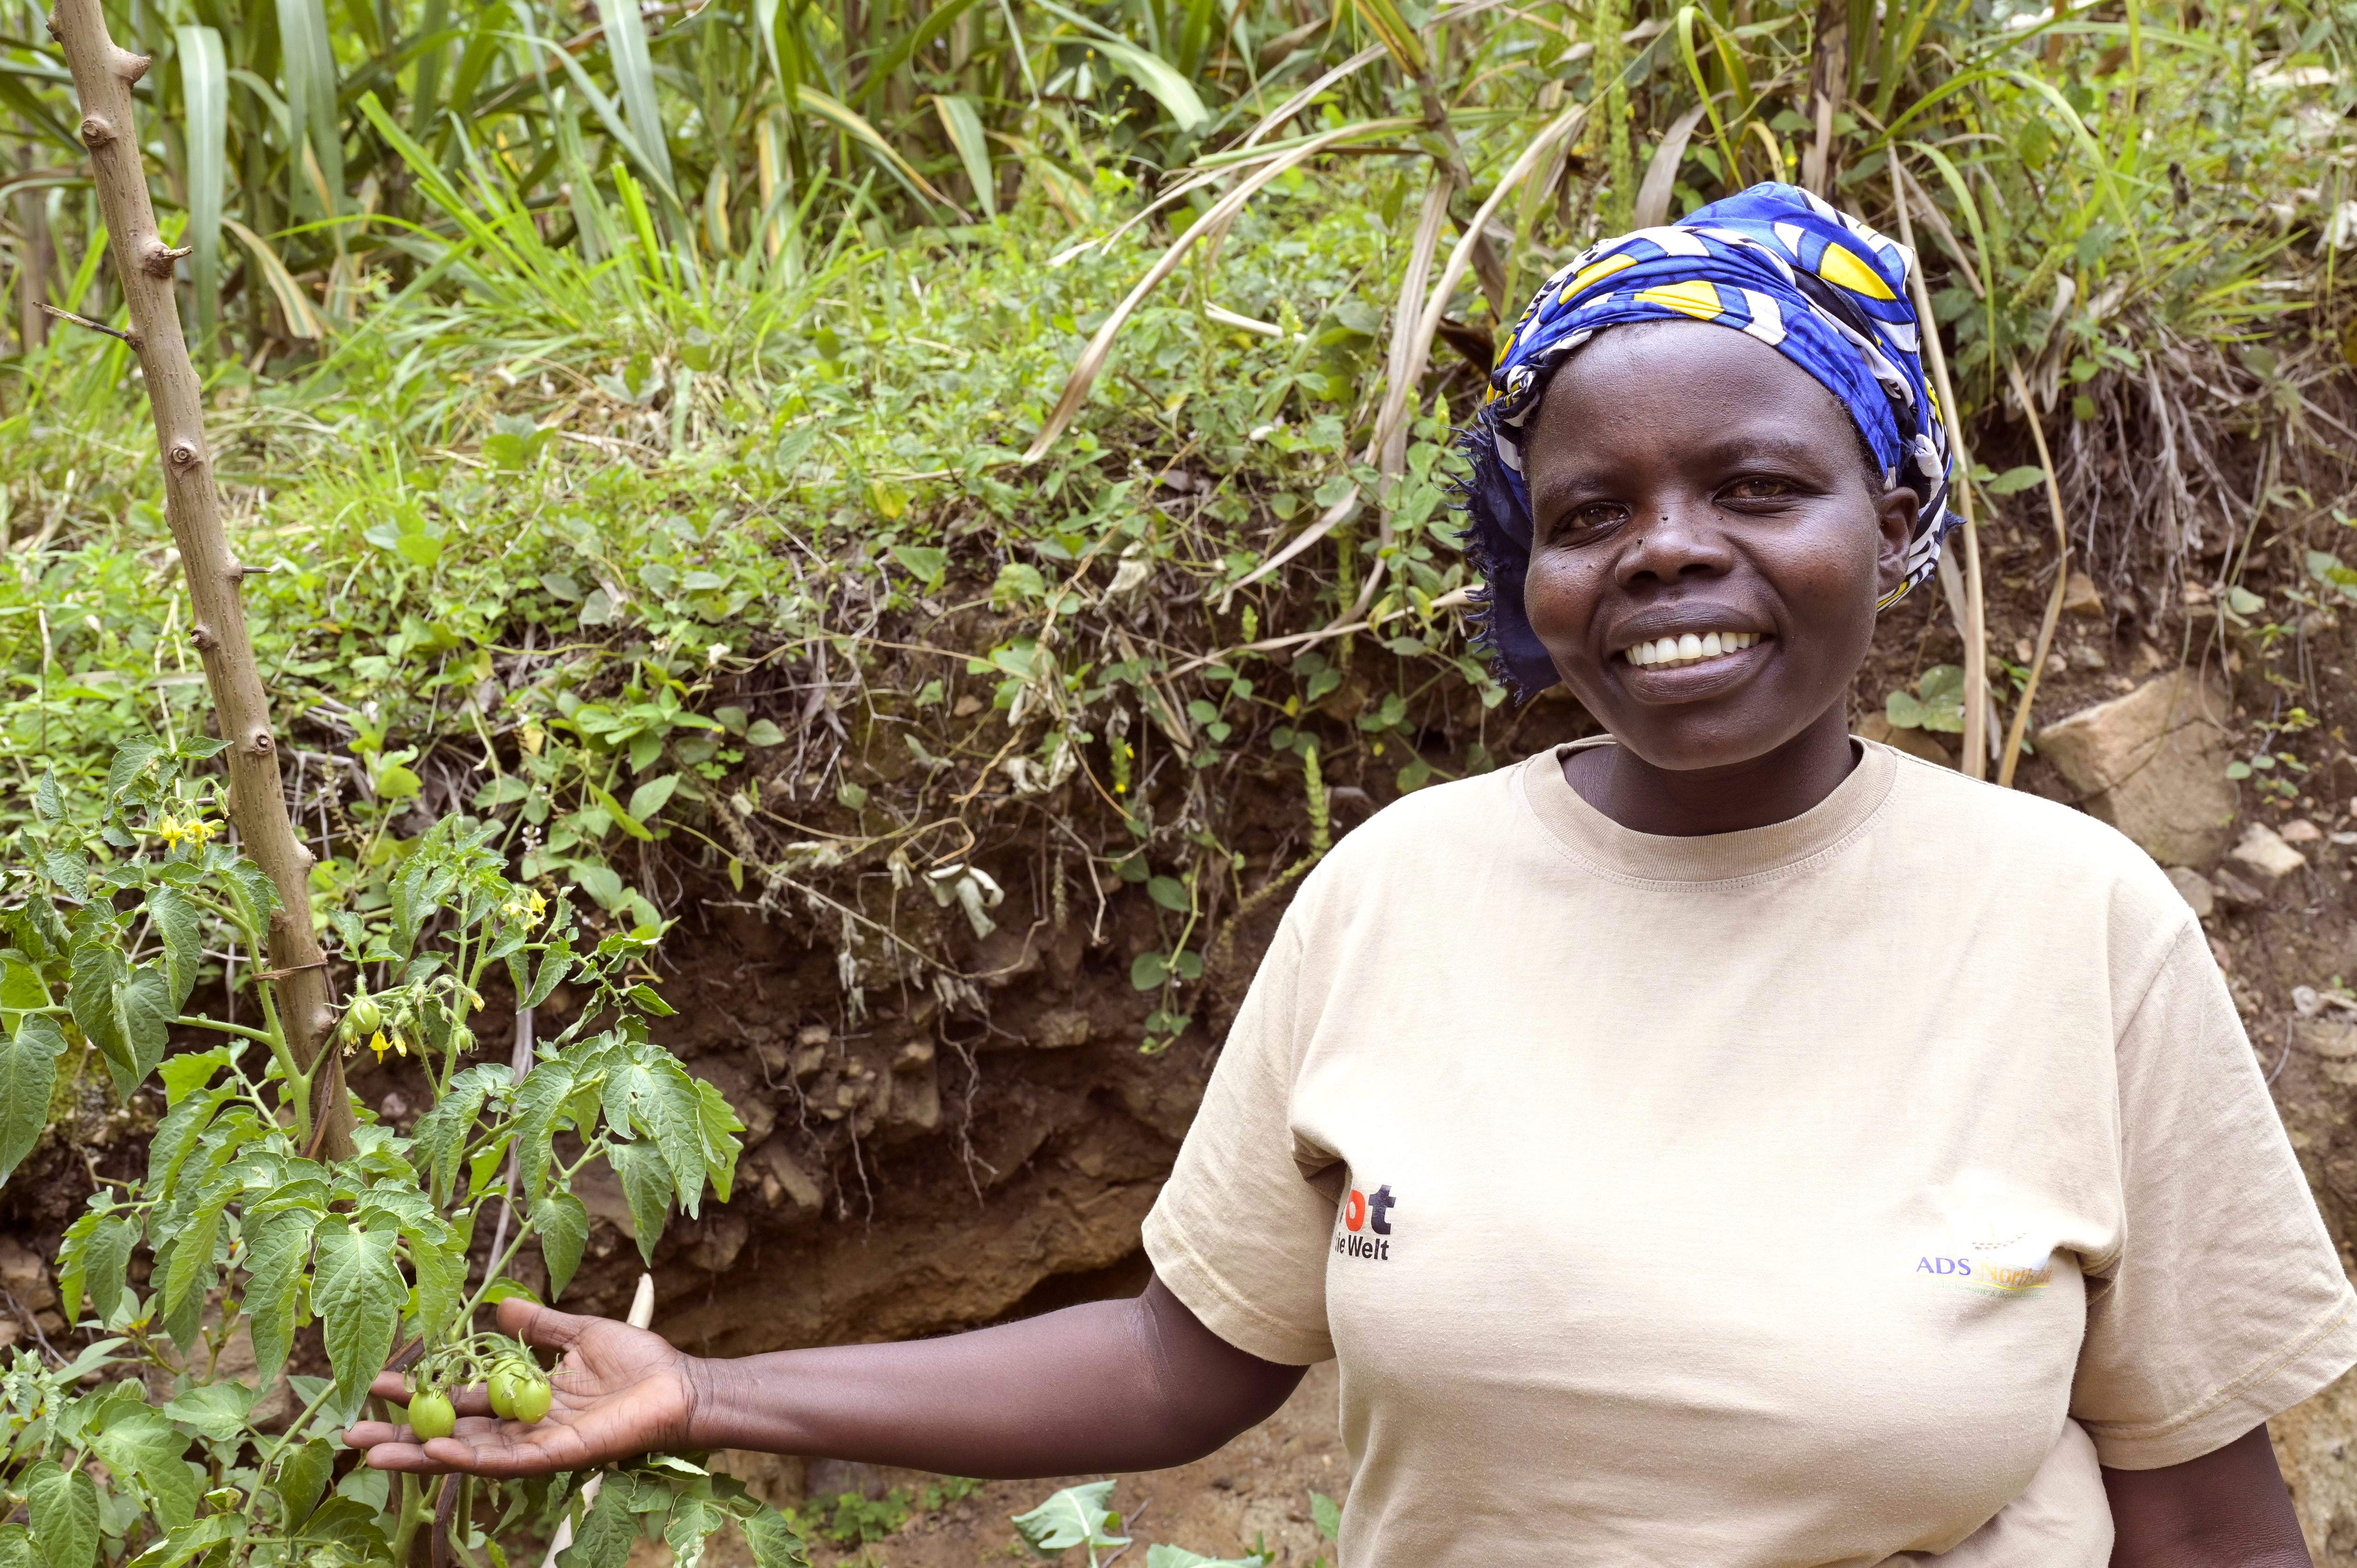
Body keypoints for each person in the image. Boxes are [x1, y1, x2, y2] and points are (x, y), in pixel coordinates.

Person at [347, 183, 2354, 1566]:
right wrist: (706, 1384)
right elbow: (1180, 1353)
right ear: (1531, 573)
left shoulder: (2070, 926)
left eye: (1754, 485)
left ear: (1888, 511)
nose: (1664, 551)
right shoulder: (1400, 891)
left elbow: (2197, 1513)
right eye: (1589, 511)